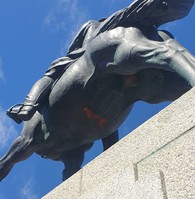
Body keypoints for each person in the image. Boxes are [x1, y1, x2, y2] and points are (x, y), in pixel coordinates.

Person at [7, 0, 194, 123]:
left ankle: (28, 107)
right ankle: (28, 106)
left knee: (51, 73)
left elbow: (74, 49)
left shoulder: (90, 25)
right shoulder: (109, 23)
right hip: (101, 52)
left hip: (86, 55)